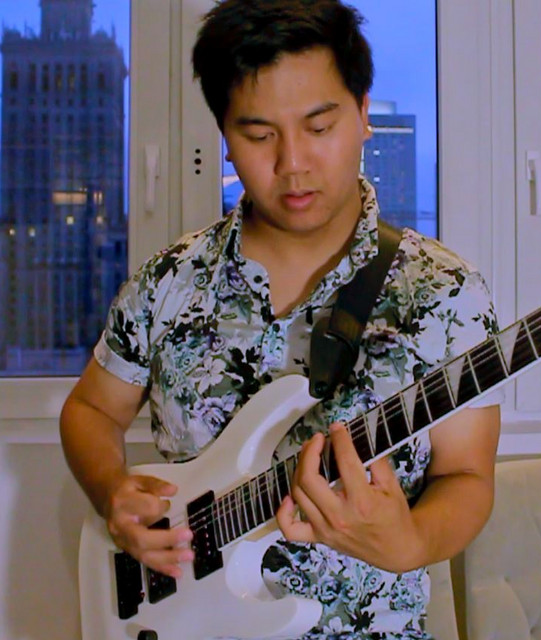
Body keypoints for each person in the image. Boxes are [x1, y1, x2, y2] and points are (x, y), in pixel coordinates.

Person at [60, 1, 501, 638]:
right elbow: (91, 410)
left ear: (363, 114)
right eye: (259, 135)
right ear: (224, 134)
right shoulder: (167, 282)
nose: (292, 162)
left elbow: (467, 477)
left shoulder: (446, 292)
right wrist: (111, 492)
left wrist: (411, 542)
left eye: (319, 126)